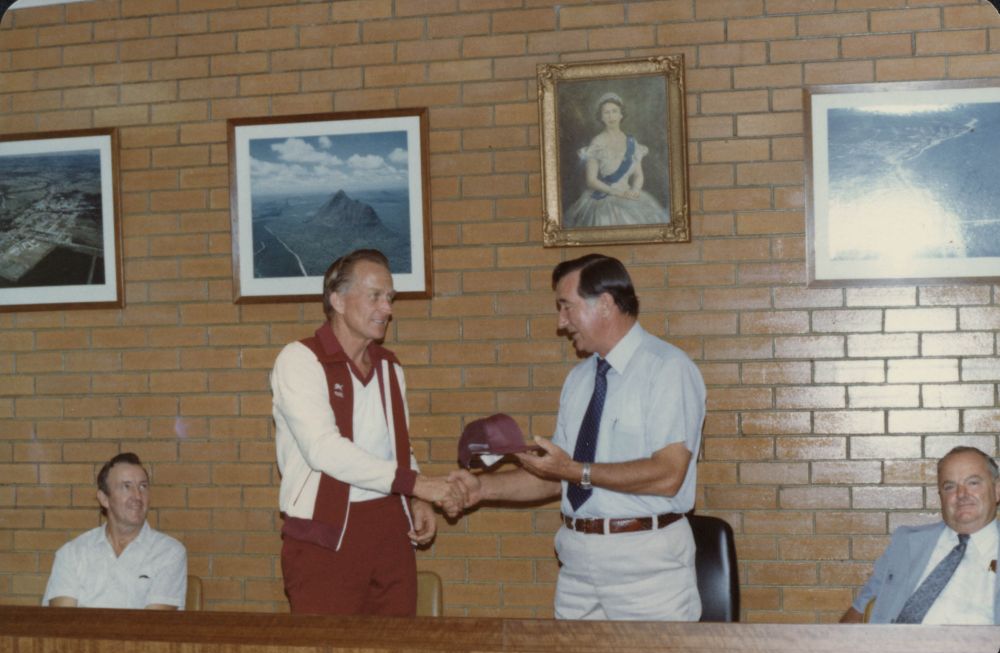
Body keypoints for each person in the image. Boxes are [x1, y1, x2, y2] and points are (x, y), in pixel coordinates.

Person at [449, 253, 707, 620]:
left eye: (567, 307)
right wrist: (482, 489)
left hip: (648, 570)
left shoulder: (668, 370)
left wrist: (574, 471)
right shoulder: (579, 380)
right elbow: (560, 478)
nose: (561, 322)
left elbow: (668, 475)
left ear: (604, 304)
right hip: (577, 566)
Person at [271, 248, 461, 616]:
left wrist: (417, 500)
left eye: (389, 298)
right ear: (337, 300)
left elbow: (398, 450)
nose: (387, 308)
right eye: (375, 296)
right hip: (324, 539)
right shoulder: (299, 360)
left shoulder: (391, 367)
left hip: (391, 533)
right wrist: (417, 485)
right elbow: (323, 449)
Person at [840, 446, 1000, 624]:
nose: (961, 494)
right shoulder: (905, 544)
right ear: (941, 496)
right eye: (950, 486)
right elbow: (861, 610)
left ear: (997, 490)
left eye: (973, 483)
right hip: (895, 648)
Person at [42, 452, 187, 610]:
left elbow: (153, 627)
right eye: (126, 487)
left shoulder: (169, 552)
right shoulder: (72, 553)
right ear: (104, 499)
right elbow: (62, 624)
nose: (137, 495)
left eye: (143, 486)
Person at [563, 92, 669, 228]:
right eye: (606, 112)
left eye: (614, 111)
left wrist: (635, 189)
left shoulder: (633, 143)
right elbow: (591, 180)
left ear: (621, 115)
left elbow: (638, 175)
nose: (611, 116)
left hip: (630, 196)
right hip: (604, 198)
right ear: (601, 117)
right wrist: (618, 193)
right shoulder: (597, 142)